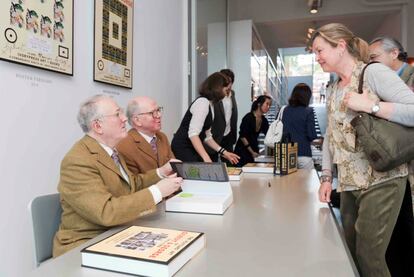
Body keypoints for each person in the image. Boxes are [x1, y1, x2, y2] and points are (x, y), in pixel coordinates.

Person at [311, 23, 414, 276]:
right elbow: (330, 137)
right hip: (348, 184)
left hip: (382, 180)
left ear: (341, 46)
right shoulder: (333, 87)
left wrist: (372, 107)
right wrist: (326, 177)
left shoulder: (373, 73)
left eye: (320, 50)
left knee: (369, 257)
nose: (317, 57)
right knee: (352, 252)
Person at [53, 95, 182, 257]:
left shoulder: (110, 151)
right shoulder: (77, 161)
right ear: (98, 126)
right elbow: (106, 212)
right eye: (117, 114)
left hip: (117, 234)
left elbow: (131, 184)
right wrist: (157, 192)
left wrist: (160, 172)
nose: (124, 119)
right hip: (86, 243)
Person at [369, 36, 414, 277]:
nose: (371, 64)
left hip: (408, 163)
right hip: (389, 165)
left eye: (374, 58)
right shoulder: (378, 81)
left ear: (394, 53)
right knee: (392, 228)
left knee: (406, 225)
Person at [171, 72, 239, 164]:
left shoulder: (211, 104)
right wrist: (206, 158)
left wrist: (224, 152)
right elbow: (193, 134)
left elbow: (207, 136)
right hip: (183, 147)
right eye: (225, 88)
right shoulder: (202, 103)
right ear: (217, 87)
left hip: (191, 146)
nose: (227, 91)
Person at [117, 96, 175, 175]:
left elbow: (173, 167)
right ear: (137, 120)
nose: (159, 115)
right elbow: (134, 182)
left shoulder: (162, 137)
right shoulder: (125, 144)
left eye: (158, 110)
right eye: (152, 113)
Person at [282, 83, 317, 169]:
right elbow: (311, 135)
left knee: (289, 182)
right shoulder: (308, 111)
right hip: (303, 153)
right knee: (308, 182)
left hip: (288, 153)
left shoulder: (286, 110)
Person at [206, 69, 238, 162]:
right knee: (213, 162)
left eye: (230, 81)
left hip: (228, 134)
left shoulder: (233, 94)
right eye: (225, 81)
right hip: (215, 135)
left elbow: (233, 114)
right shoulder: (215, 96)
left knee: (230, 163)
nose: (228, 85)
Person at [234, 95, 272, 166]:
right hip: (242, 152)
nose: (268, 107)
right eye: (267, 104)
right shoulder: (248, 117)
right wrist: (252, 152)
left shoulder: (264, 120)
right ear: (259, 104)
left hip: (254, 152)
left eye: (270, 105)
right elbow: (242, 136)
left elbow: (269, 135)